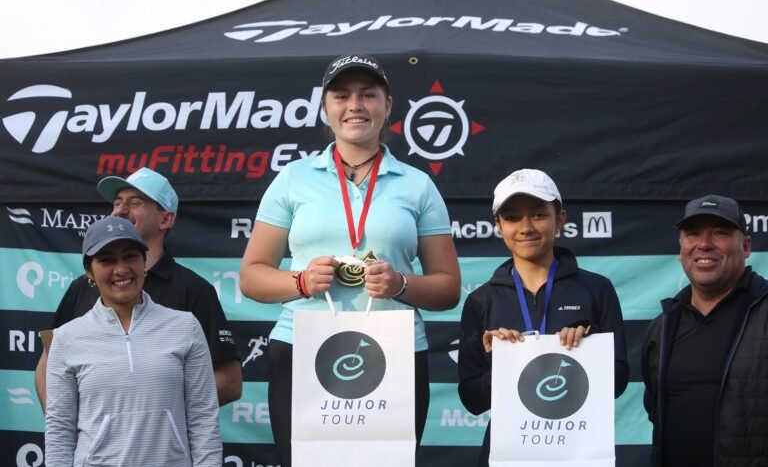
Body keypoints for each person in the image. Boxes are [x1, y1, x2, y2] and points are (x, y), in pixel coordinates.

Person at [240, 54, 461, 466]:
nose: (355, 106)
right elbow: (252, 277)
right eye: (341, 96)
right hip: (303, 346)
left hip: (393, 350)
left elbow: (448, 287)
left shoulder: (418, 185)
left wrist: (401, 284)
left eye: (368, 95)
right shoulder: (292, 179)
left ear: (387, 106)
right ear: (325, 108)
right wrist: (301, 281)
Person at [458, 168, 629, 467]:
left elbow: (618, 383)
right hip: (508, 451)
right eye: (512, 217)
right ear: (498, 225)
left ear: (559, 219)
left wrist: (587, 353)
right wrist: (500, 364)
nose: (526, 227)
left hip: (579, 449)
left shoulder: (596, 289)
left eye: (538, 214)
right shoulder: (480, 301)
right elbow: (473, 401)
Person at [35, 167, 241, 409]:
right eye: (117, 202)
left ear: (165, 219)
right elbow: (48, 363)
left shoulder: (193, 289)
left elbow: (230, 382)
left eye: (135, 203)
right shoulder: (82, 286)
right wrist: (63, 419)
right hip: (91, 434)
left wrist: (150, 411)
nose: (120, 210)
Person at [45, 215, 222, 466]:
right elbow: (59, 430)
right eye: (107, 260)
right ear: (89, 272)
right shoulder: (67, 337)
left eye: (130, 257)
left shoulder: (185, 326)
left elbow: (203, 418)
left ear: (144, 262)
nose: (121, 269)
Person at [642, 194, 768, 467]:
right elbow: (655, 411)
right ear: (681, 249)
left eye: (720, 232)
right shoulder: (661, 327)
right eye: (693, 234)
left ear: (746, 246)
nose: (704, 244)